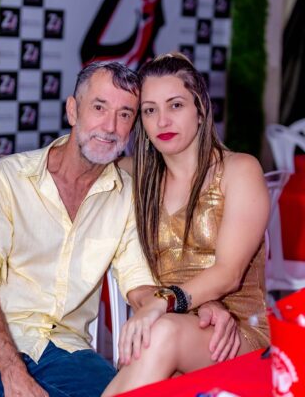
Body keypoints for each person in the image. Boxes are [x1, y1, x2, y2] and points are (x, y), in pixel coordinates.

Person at [0, 61, 239, 397]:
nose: (110, 126)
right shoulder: (8, 178)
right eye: (99, 108)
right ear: (73, 110)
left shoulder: (125, 196)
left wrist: (194, 309)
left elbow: (140, 288)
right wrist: (12, 371)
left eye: (125, 114)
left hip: (67, 350)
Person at [100, 52, 270, 395]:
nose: (162, 121)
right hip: (168, 327)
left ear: (200, 109)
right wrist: (2, 165)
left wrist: (161, 302)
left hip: (236, 337)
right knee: (159, 333)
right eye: (150, 110)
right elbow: (73, 162)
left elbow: (228, 273)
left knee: (160, 332)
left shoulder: (239, 170)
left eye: (175, 105)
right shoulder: (134, 176)